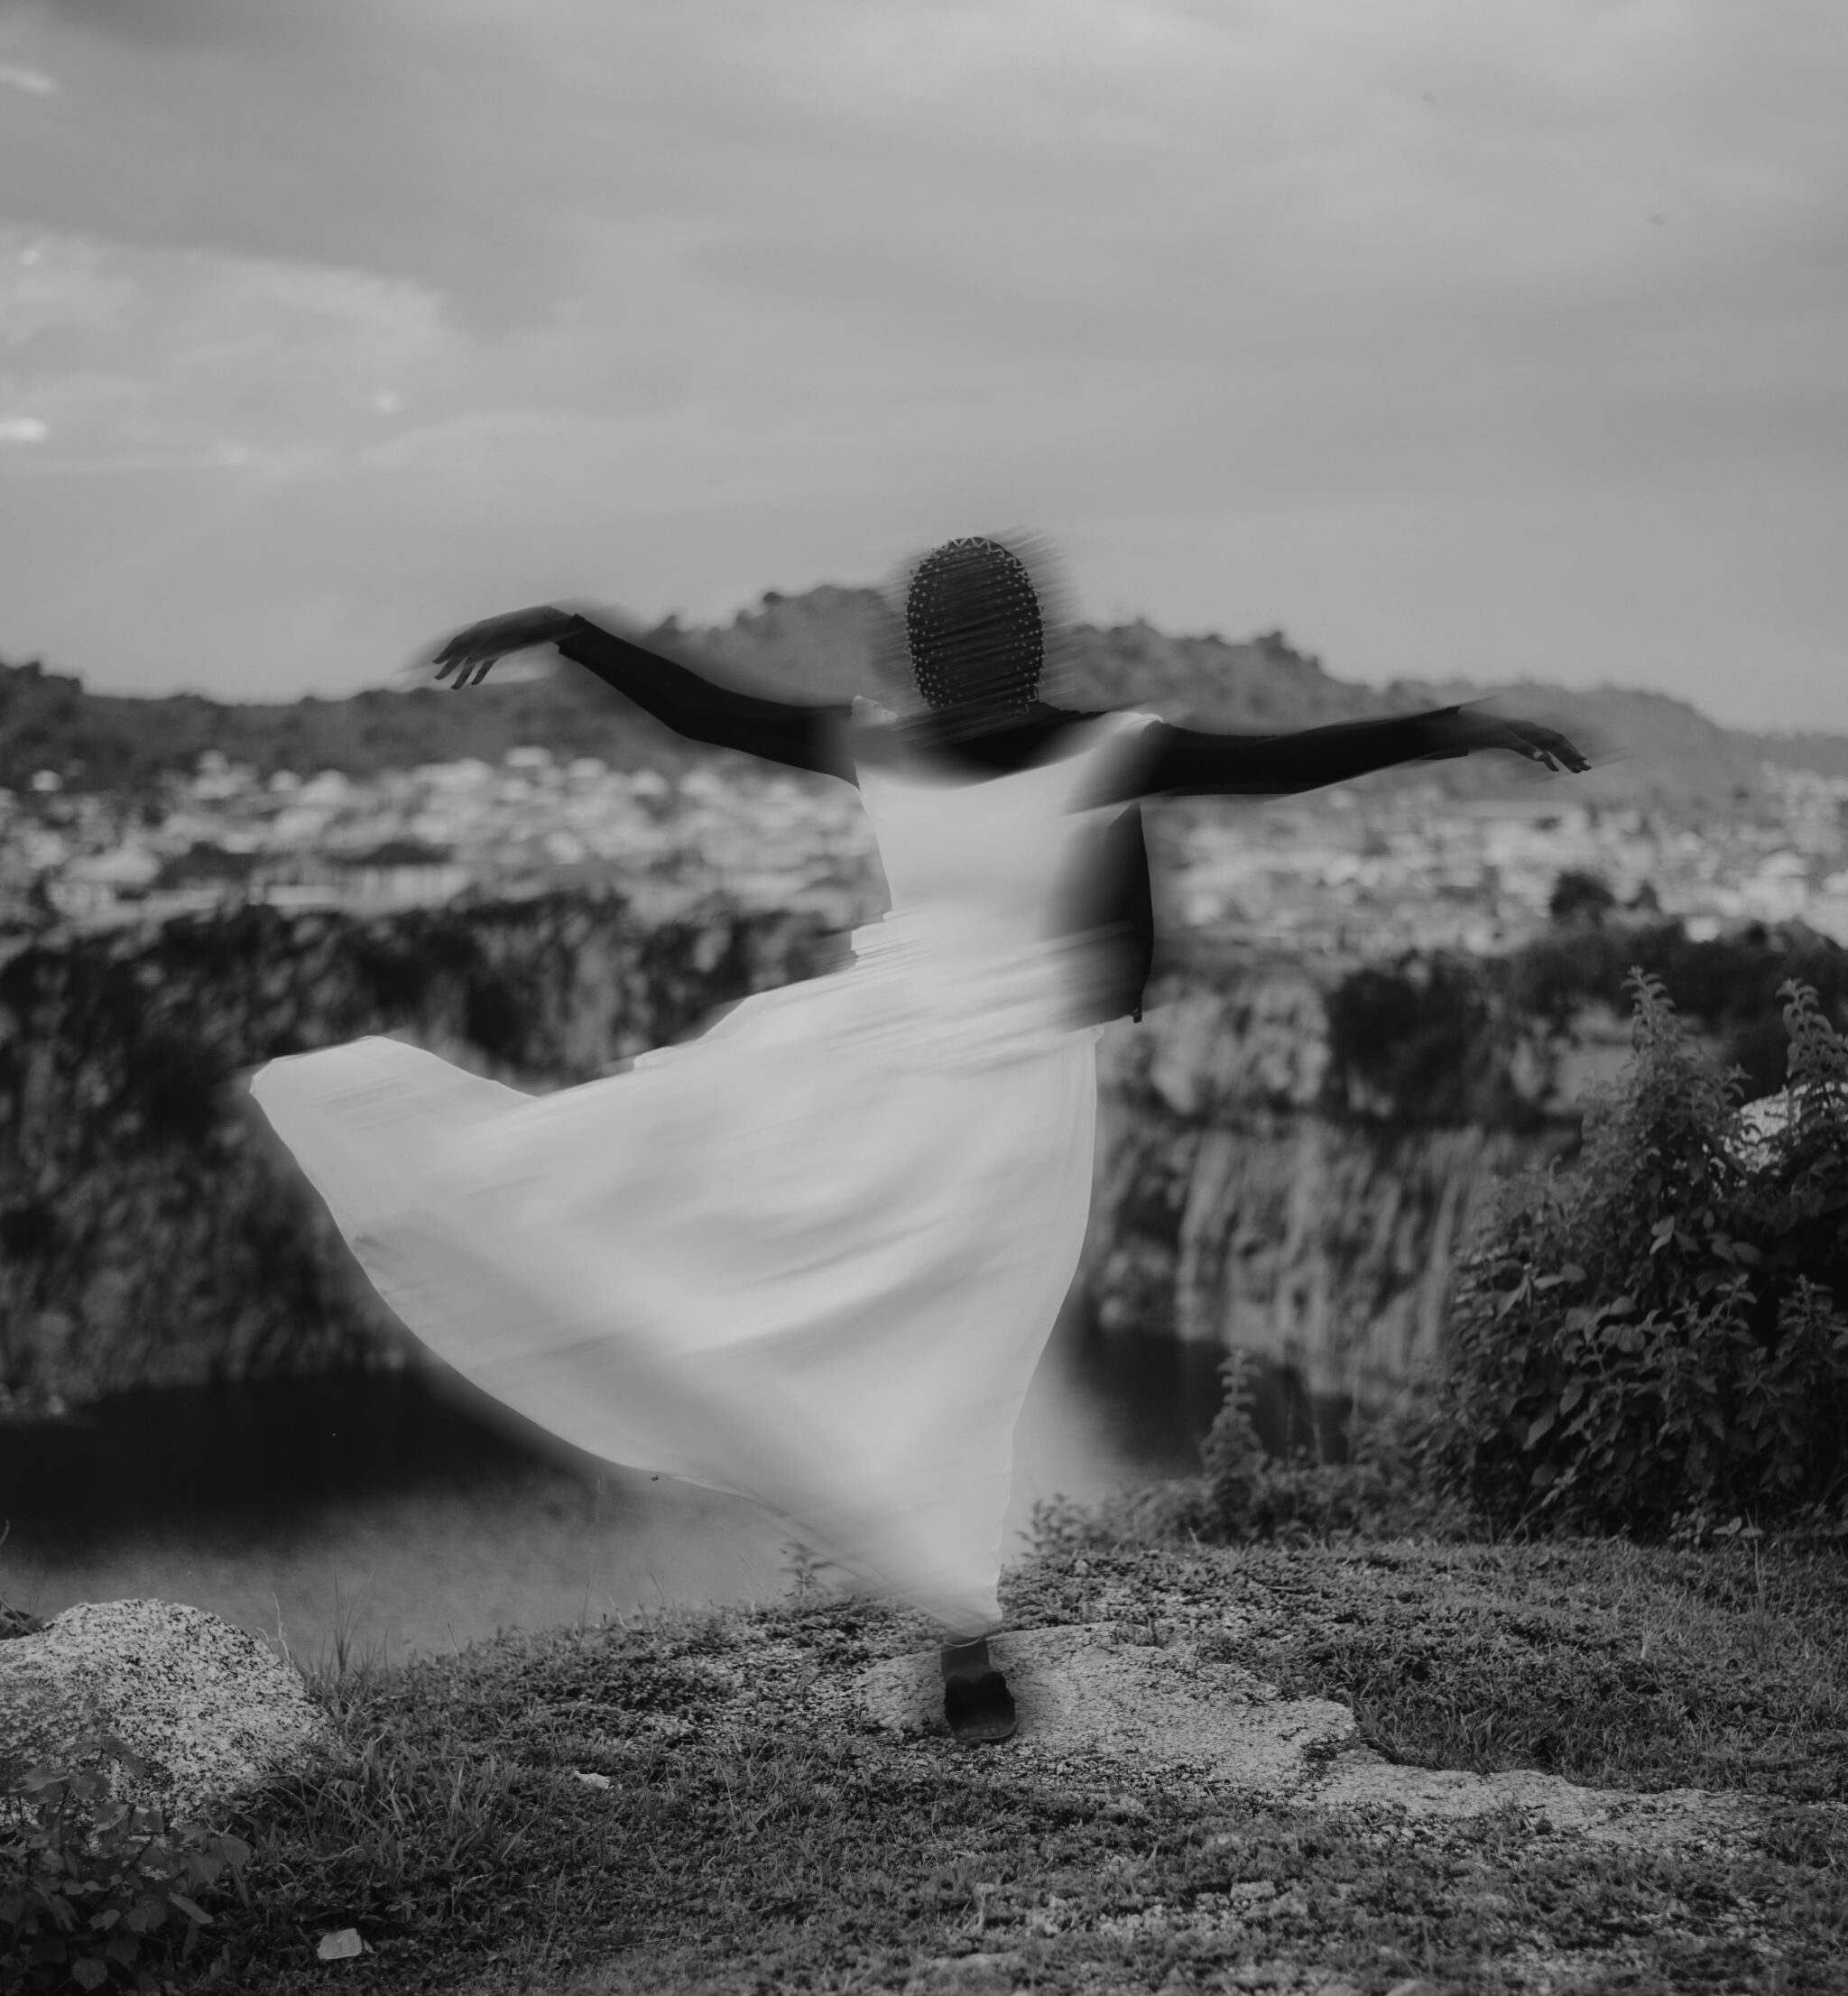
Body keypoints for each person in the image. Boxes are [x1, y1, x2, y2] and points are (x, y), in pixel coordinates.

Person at [250, 537, 1587, 1745]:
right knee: (965, 1361)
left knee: (693, 1201)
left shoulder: (880, 745)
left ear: (925, 656)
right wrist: (1463, 726)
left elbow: (708, 713)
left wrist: (572, 628)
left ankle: (951, 1624)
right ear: (1034, 645)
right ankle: (961, 1643)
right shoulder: (1108, 749)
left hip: (881, 1049)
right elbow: (1296, 762)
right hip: (1007, 1091)